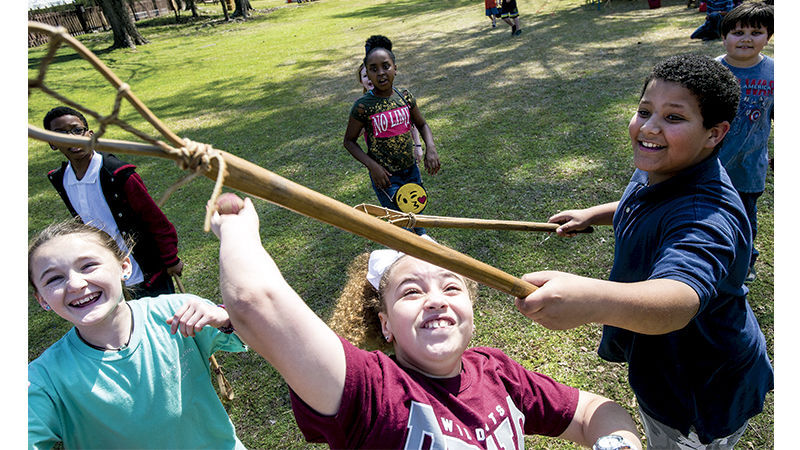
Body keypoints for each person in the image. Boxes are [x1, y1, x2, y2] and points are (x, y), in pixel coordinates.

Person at [209, 195, 642, 449]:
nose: (435, 300)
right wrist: (235, 228)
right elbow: (254, 302)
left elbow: (591, 412)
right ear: (385, 325)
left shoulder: (498, 373)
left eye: (451, 288)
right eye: (412, 291)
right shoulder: (368, 390)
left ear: (471, 314)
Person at [515, 54, 773, 448]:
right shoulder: (663, 166)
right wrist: (592, 215)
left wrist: (592, 298)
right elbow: (643, 202)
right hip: (665, 364)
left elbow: (678, 298)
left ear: (714, 134)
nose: (649, 128)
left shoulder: (707, 216)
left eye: (674, 118)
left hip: (699, 389)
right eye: (644, 111)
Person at [27, 220, 247, 449]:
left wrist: (227, 319)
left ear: (124, 267)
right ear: (42, 299)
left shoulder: (178, 311)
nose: (74, 284)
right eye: (54, 279)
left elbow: (266, 338)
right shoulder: (43, 380)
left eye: (88, 265)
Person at [43, 106, 184, 299]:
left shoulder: (118, 174)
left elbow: (155, 219)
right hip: (105, 274)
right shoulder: (61, 179)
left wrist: (171, 259)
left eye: (77, 130)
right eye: (61, 134)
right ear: (52, 142)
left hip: (144, 271)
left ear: (90, 134)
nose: (73, 137)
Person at [344, 35, 440, 236]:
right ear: (366, 75)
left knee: (415, 214)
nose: (380, 73)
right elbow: (349, 142)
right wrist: (373, 166)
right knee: (402, 222)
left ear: (395, 68)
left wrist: (429, 148)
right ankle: (419, 248)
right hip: (386, 177)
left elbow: (422, 124)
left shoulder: (405, 96)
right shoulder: (363, 107)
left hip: (411, 171)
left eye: (385, 66)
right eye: (373, 69)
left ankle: (422, 246)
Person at [715, 1, 774, 283]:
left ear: (768, 36)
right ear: (723, 37)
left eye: (756, 31)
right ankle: (716, 254)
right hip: (710, 164)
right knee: (710, 213)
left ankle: (746, 259)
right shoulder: (712, 72)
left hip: (750, 166)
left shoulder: (776, 74)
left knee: (745, 218)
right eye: (738, 32)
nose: (747, 38)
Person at [357, 62, 424, 163]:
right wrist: (367, 120)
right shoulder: (362, 106)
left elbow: (411, 123)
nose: (370, 78)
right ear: (361, 81)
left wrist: (418, 146)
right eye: (366, 76)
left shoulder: (398, 98)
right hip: (382, 164)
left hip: (407, 157)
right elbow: (354, 134)